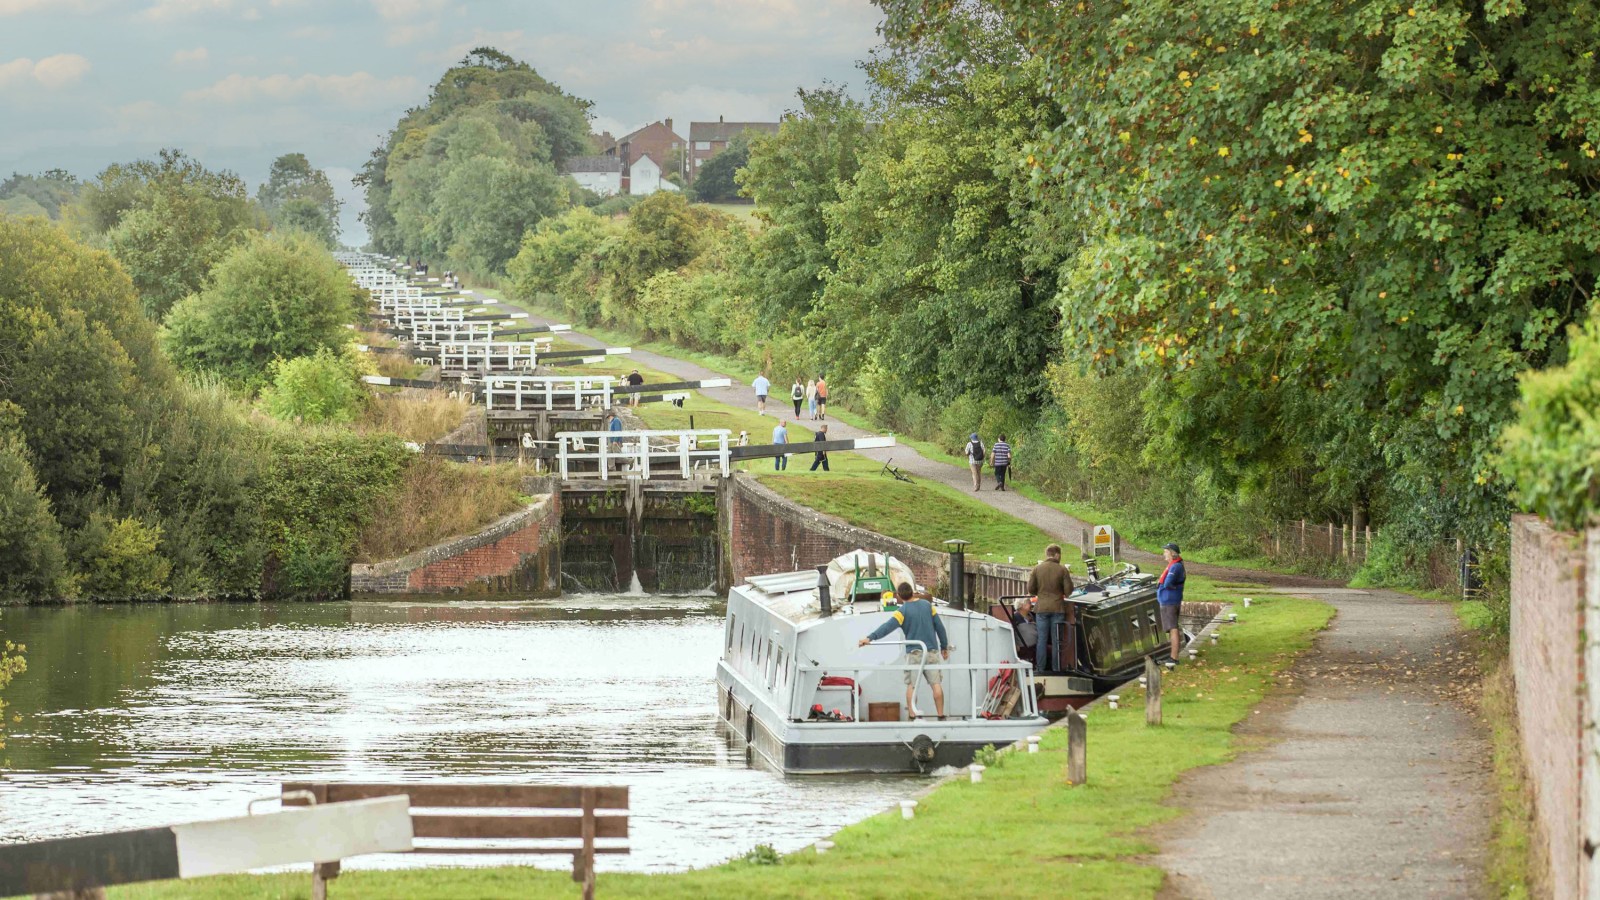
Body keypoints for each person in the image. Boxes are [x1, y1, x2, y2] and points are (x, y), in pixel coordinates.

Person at [858, 582, 950, 719]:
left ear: (899, 596)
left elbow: (887, 627)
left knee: (912, 686)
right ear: (913, 592)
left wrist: (869, 638)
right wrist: (944, 647)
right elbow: (940, 627)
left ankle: (912, 715)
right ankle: (941, 715)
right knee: (936, 685)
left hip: (914, 654)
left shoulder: (902, 612)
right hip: (931, 652)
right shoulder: (928, 606)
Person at [1027, 545, 1075, 672]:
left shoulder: (1037, 569)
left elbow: (1031, 589)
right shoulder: (1062, 569)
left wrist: (1041, 593)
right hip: (1057, 609)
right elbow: (1068, 591)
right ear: (1057, 555)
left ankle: (1040, 669)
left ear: (1047, 554)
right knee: (1056, 641)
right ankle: (1056, 669)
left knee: (1041, 640)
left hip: (1041, 609)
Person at [1158, 543, 1186, 660]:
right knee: (1172, 628)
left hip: (1170, 600)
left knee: (1173, 628)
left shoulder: (1175, 567)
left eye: (1166, 551)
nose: (1164, 553)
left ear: (1171, 553)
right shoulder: (1175, 565)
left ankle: (1174, 658)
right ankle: (1173, 656)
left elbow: (1168, 583)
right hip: (1170, 599)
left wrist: (1172, 588)